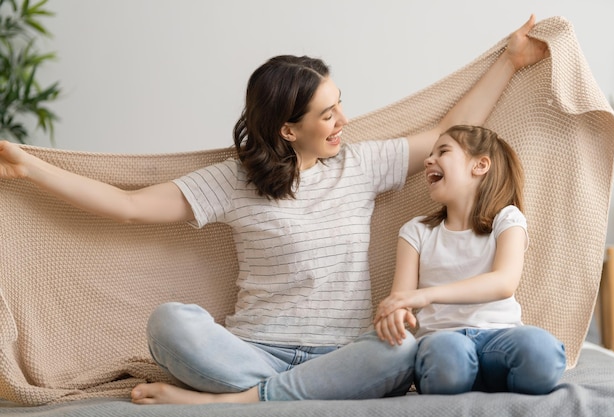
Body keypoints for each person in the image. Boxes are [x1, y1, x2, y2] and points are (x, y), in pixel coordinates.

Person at [0, 15, 549, 405]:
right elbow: (127, 207)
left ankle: (234, 402)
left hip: (347, 353)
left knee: (404, 350)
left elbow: (443, 131)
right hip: (252, 350)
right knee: (170, 324)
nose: (343, 121)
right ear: (290, 130)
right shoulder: (233, 181)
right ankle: (265, 390)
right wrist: (30, 169)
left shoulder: (359, 165)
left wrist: (510, 60)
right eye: (328, 115)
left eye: (339, 106)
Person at [374, 125, 566, 395]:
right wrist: (393, 314)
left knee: (542, 353)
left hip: (500, 337)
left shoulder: (508, 219)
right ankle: (469, 378)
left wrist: (425, 296)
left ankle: (487, 378)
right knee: (449, 358)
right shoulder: (415, 231)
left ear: (480, 165)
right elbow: (401, 301)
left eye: (443, 151)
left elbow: (504, 282)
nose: (429, 160)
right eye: (430, 154)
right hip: (442, 339)